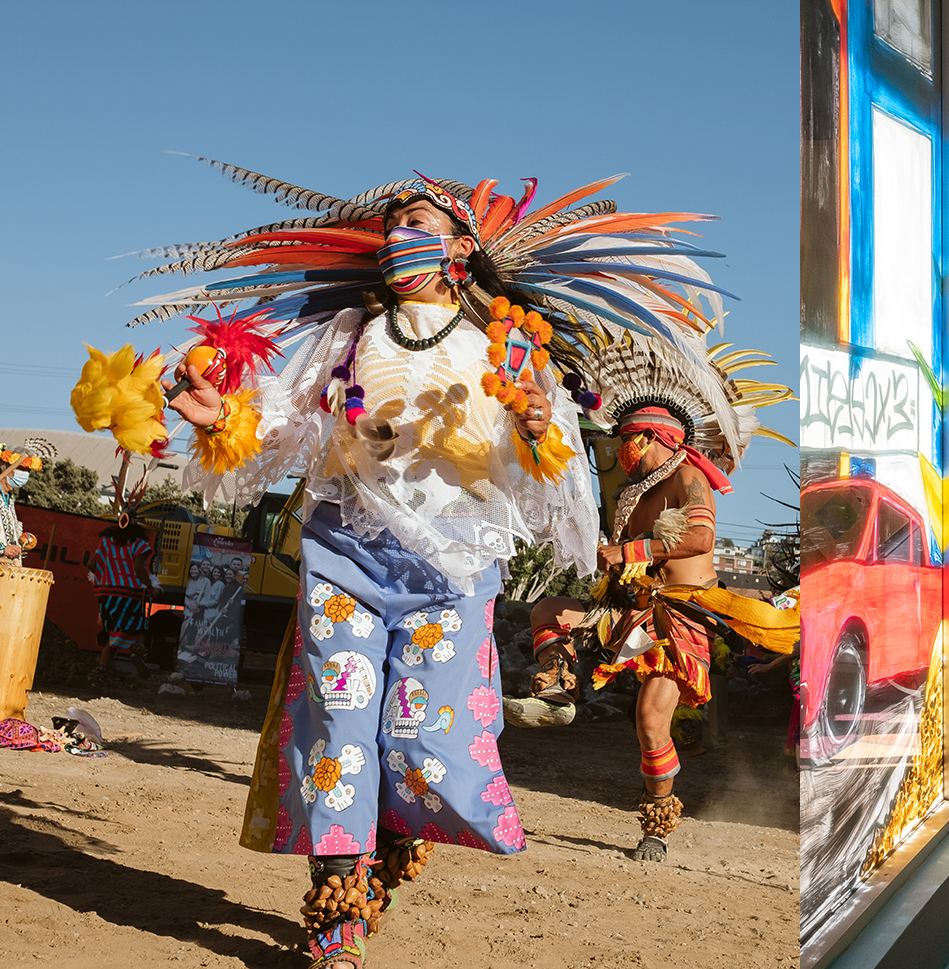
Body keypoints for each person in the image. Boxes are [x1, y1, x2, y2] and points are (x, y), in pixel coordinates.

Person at [123, 159, 736, 969]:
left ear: (458, 250)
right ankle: (333, 911)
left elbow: (546, 473)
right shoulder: (350, 338)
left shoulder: (504, 348)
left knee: (423, 744)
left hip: (450, 573)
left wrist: (535, 420)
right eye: (389, 228)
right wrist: (217, 415)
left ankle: (377, 876)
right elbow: (281, 424)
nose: (394, 241)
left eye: (415, 227)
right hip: (346, 553)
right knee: (339, 730)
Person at [507, 331, 797, 864]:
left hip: (679, 615)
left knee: (649, 720)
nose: (619, 451)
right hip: (626, 607)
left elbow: (700, 540)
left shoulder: (689, 476)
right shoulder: (629, 491)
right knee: (548, 611)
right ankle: (559, 695)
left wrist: (628, 550)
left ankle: (657, 825)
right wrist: (609, 560)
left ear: (656, 437)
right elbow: (625, 560)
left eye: (628, 441)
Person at [84, 518, 157, 680]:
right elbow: (138, 567)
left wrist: (106, 578)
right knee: (139, 627)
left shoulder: (107, 542)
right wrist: (150, 587)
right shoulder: (139, 544)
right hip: (128, 594)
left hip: (104, 595)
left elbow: (91, 564)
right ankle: (137, 652)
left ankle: (100, 674)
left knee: (112, 633)